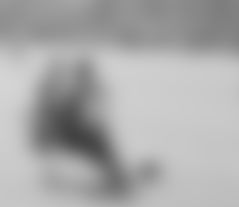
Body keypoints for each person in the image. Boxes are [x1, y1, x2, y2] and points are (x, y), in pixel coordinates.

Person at [31, 55, 157, 198]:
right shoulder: (53, 96)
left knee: (99, 139)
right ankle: (112, 174)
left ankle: (114, 173)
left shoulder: (73, 92)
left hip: (72, 134)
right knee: (97, 141)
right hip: (63, 138)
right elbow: (51, 124)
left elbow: (84, 113)